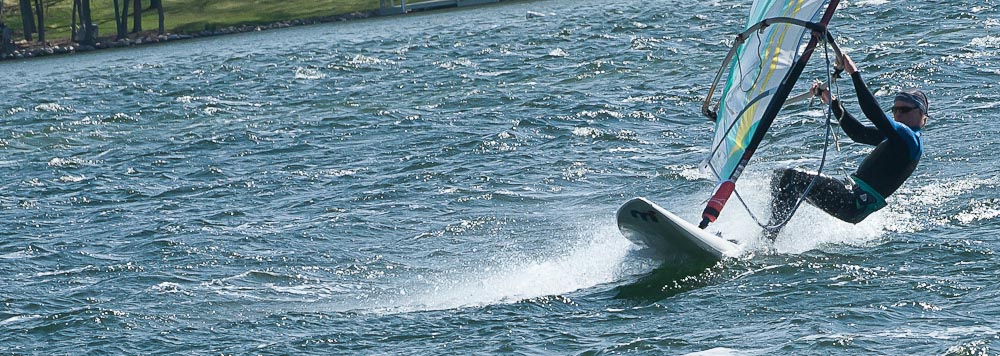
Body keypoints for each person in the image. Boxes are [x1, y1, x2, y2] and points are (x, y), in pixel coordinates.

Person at [765, 53, 927, 239]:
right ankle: (770, 232)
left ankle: (768, 238)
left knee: (789, 179)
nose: (898, 114)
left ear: (922, 116)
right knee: (781, 178)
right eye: (895, 109)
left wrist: (854, 74)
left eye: (904, 110)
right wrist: (832, 102)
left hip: (854, 201)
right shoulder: (899, 139)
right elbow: (857, 133)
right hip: (852, 197)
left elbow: (873, 113)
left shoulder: (909, 138)